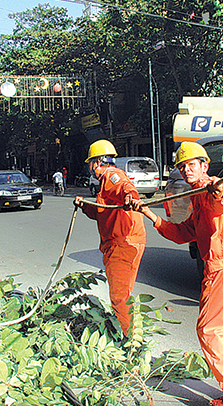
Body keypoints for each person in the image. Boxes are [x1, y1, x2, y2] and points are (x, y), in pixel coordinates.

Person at [129, 141, 223, 406]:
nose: (186, 170)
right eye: (182, 166)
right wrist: (147, 211)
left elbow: (221, 202)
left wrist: (215, 189)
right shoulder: (197, 195)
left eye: (191, 164)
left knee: (209, 331)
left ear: (204, 165)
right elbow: (184, 233)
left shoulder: (208, 190)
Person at [73, 140, 146, 337]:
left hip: (121, 242)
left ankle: (128, 342)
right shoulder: (105, 185)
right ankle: (133, 333)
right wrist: (84, 205)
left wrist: (130, 195)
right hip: (132, 239)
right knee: (125, 295)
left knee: (119, 297)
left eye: (91, 163)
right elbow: (102, 212)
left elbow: (124, 185)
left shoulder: (110, 175)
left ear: (96, 163)